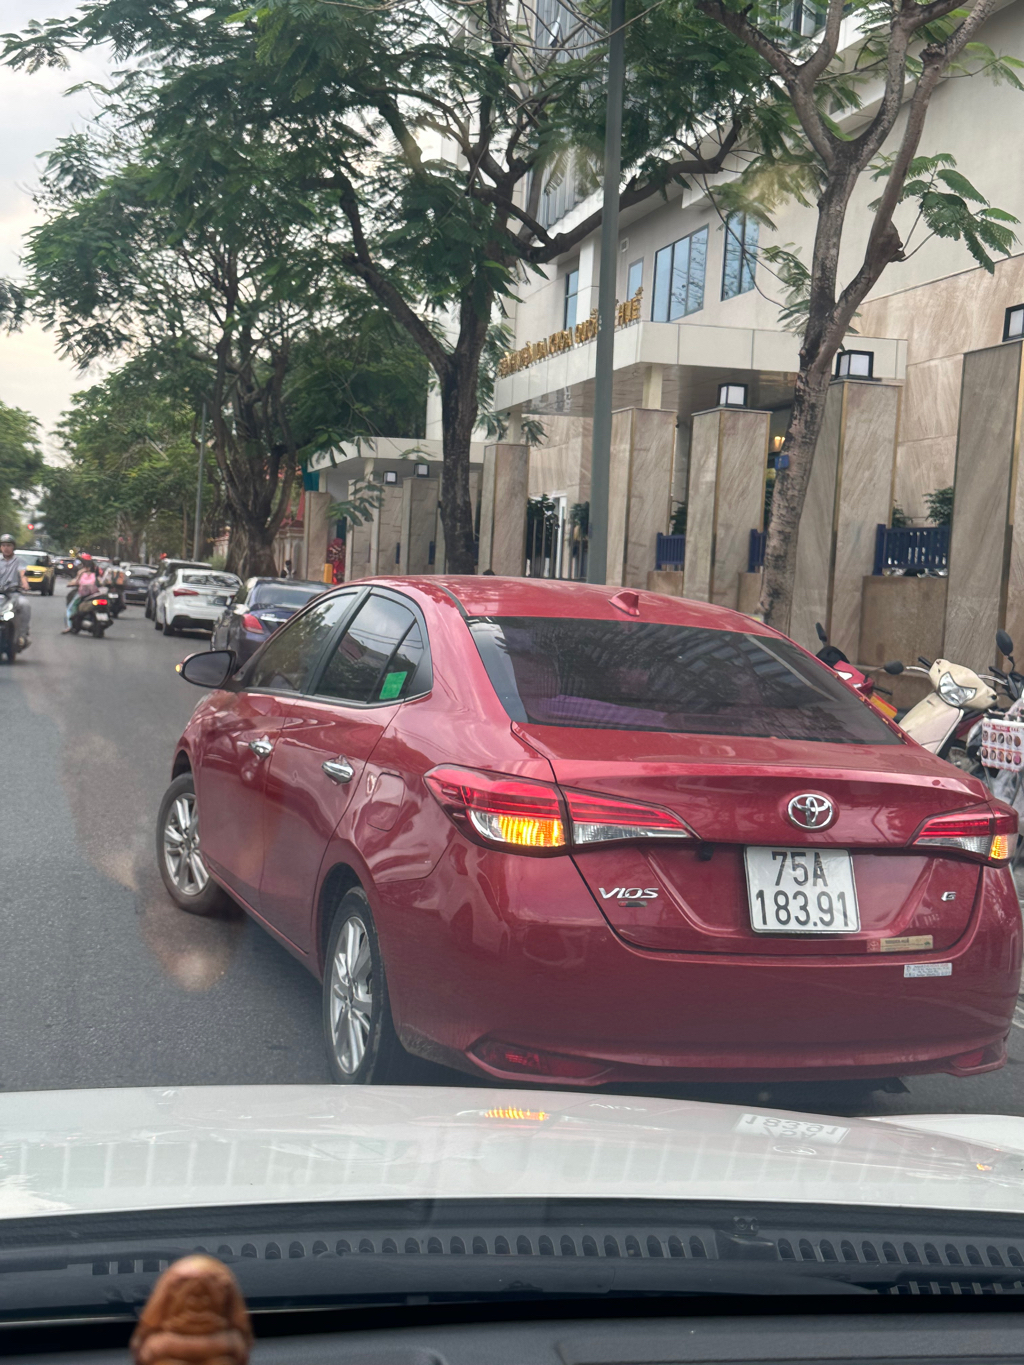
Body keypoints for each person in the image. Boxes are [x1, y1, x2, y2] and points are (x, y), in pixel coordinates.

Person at [0, 533, 30, 649]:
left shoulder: (19, 561)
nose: (6, 548)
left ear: (13, 547)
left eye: (9, 545)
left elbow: (22, 574)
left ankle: (22, 635)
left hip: (13, 593)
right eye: (3, 545)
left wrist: (24, 583)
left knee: (25, 605)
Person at [63, 555, 99, 633]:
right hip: (95, 593)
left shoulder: (82, 572)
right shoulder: (97, 571)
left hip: (83, 593)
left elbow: (77, 582)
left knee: (70, 608)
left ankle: (70, 626)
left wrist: (70, 584)